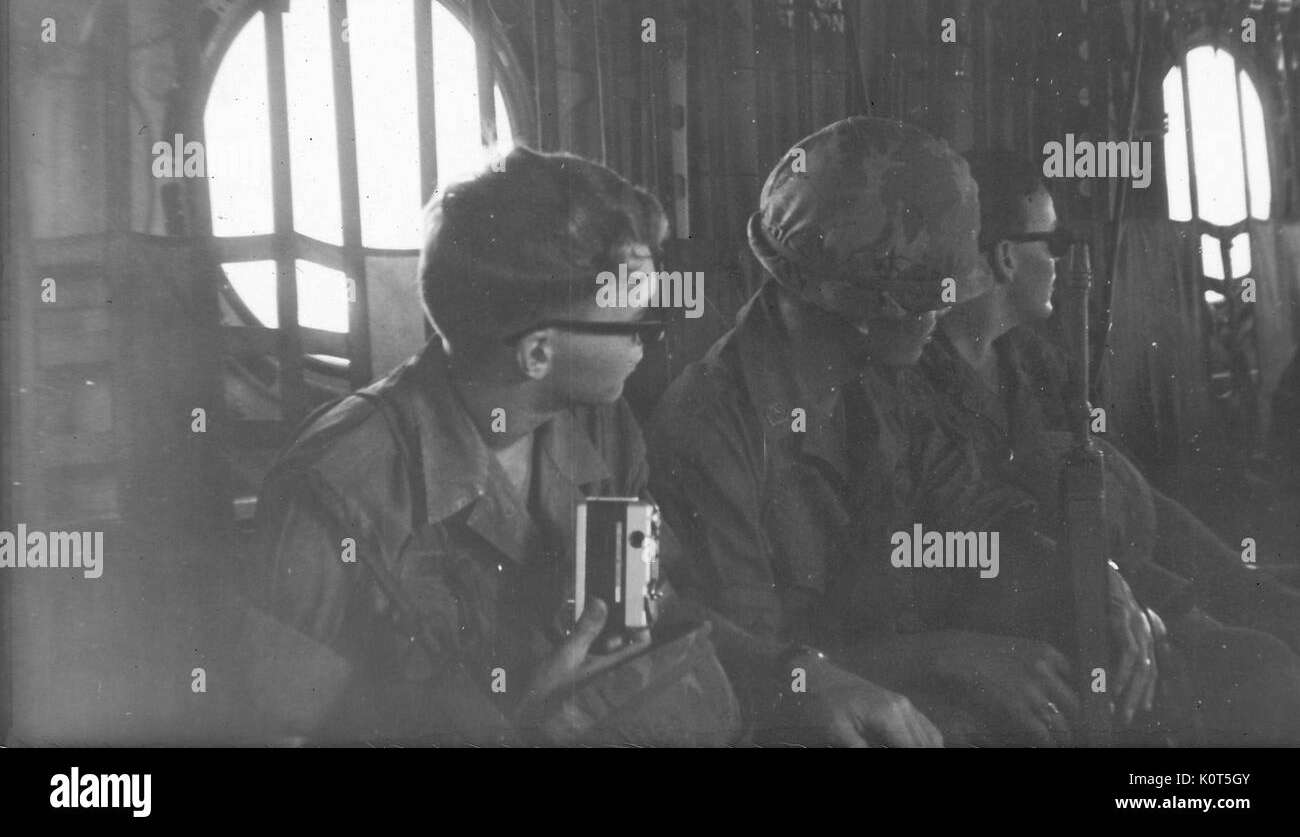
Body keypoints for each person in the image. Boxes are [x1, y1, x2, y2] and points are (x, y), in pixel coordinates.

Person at [242, 146, 940, 747]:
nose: (653, 340)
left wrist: (802, 672)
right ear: (539, 352)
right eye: (636, 324)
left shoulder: (601, 427)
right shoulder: (333, 492)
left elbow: (652, 603)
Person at [646, 117, 1165, 747]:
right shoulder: (713, 429)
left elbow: (970, 516)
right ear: (849, 302)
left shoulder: (880, 374)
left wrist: (1091, 575)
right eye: (925, 295)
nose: (947, 311)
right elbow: (750, 668)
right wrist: (944, 654)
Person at [913, 148, 1300, 742]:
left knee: (1272, 619)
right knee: (1262, 663)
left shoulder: (1031, 359)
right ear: (1007, 258)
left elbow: (1120, 486)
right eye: (1056, 244)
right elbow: (978, 536)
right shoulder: (921, 381)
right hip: (1048, 617)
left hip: (1118, 577)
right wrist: (1132, 594)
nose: (1065, 263)